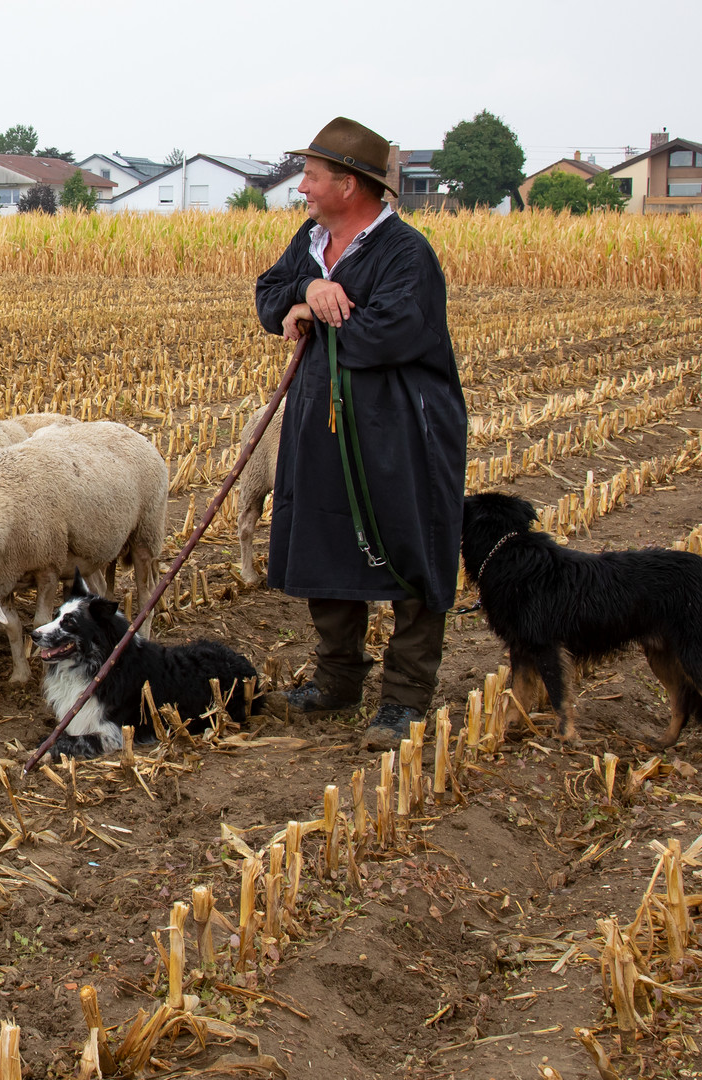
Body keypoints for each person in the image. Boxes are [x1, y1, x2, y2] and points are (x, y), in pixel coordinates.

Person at [252, 117, 467, 751]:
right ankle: (336, 680)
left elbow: (389, 332)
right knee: (324, 538)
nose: (303, 190)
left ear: (349, 185)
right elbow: (270, 295)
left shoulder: (408, 254)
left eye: (312, 179)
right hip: (322, 421)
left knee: (409, 548)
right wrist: (305, 290)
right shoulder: (312, 241)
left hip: (399, 429)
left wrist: (319, 308)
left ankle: (404, 699)